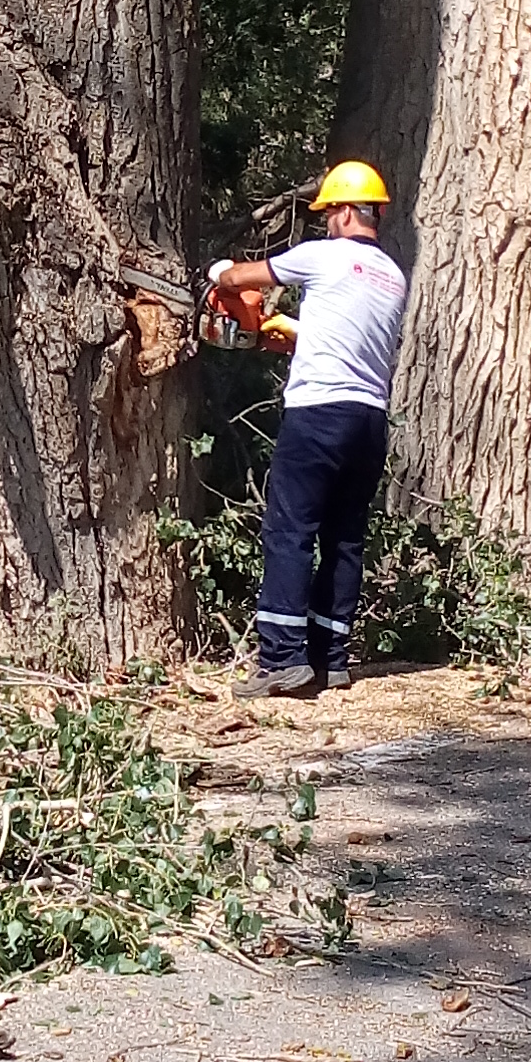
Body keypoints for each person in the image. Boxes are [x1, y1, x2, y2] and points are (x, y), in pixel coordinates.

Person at [202, 161, 406, 695]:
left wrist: (219, 273)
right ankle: (331, 658)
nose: (326, 223)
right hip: (368, 418)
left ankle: (281, 659)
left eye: (327, 214)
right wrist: (287, 336)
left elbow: (242, 278)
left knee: (290, 530)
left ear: (341, 210)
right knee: (344, 538)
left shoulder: (322, 256)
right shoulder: (391, 275)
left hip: (317, 412)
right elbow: (346, 336)